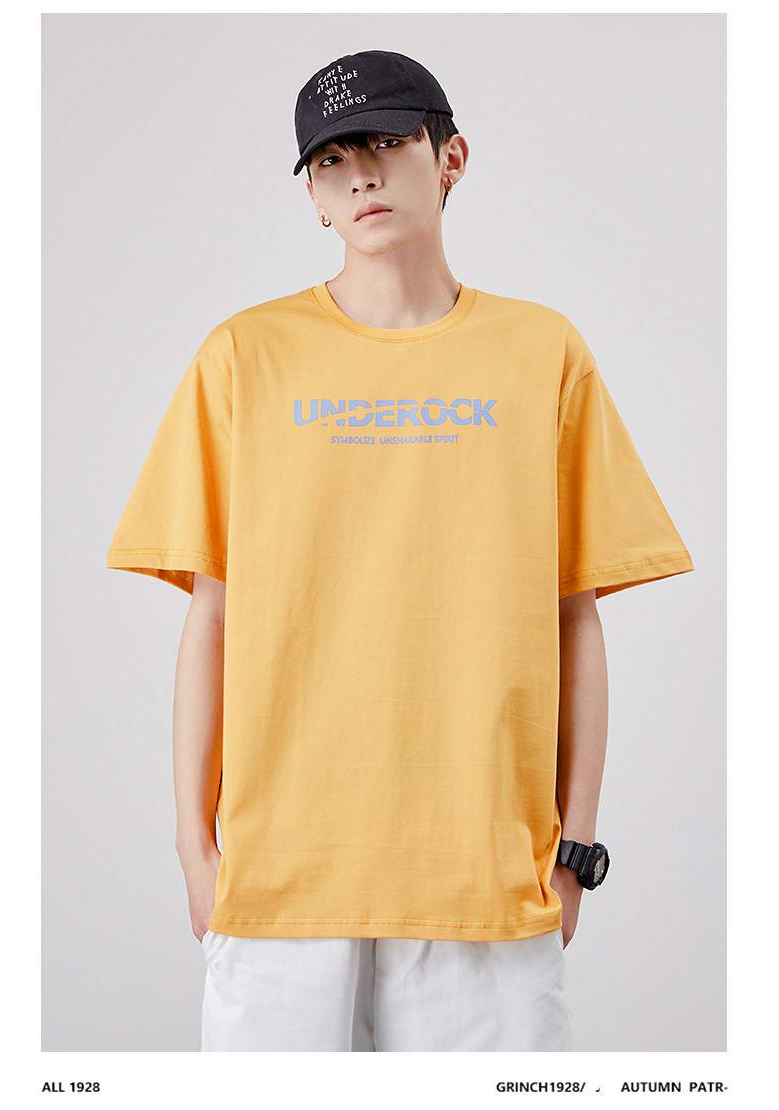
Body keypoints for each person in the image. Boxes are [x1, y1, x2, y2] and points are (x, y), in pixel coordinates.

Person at [106, 49, 695, 1052]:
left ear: (450, 156)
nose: (362, 175)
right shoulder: (243, 356)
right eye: (331, 160)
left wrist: (576, 848)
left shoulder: (540, 353)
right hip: (283, 874)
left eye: (386, 142)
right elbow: (213, 613)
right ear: (312, 196)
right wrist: (191, 848)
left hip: (484, 873)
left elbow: (573, 616)